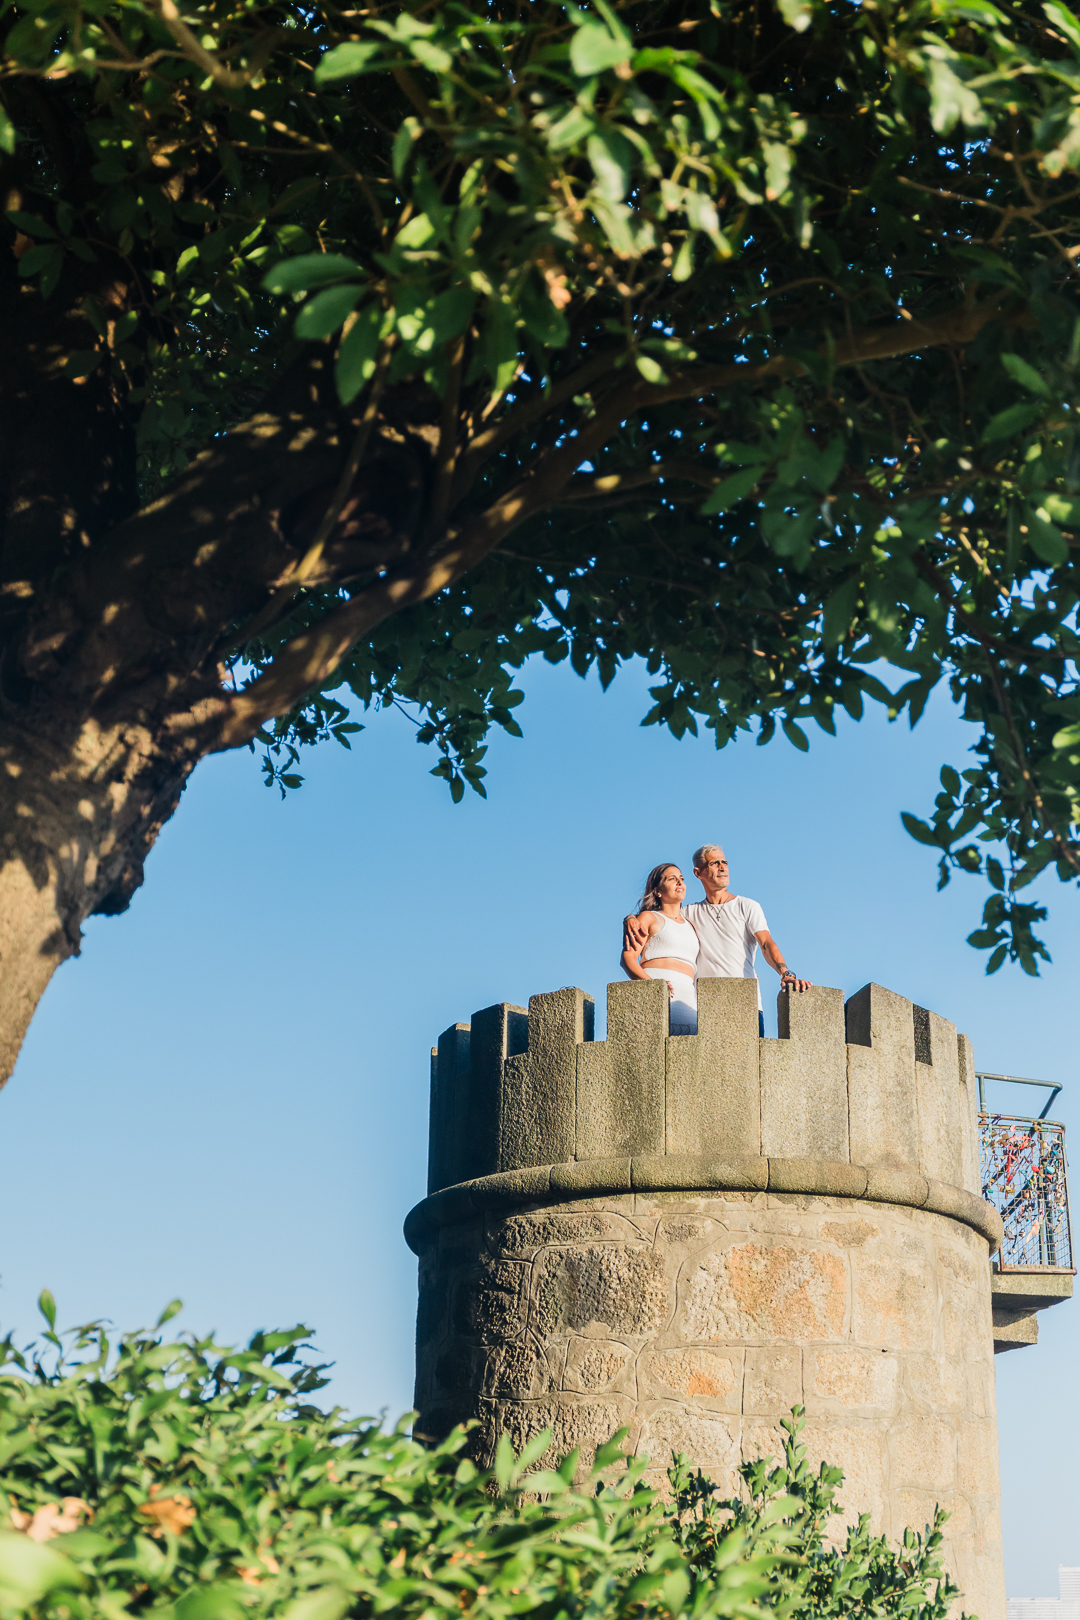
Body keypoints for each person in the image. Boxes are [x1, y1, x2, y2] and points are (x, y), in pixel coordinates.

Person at [625, 844, 811, 1036]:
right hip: (707, 1008)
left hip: (746, 1004)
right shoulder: (689, 913)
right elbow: (663, 917)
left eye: (725, 862)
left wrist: (785, 973)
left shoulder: (747, 906)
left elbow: (766, 943)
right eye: (714, 863)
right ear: (698, 873)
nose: (722, 867)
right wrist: (630, 918)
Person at [621, 863, 700, 1034]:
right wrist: (654, 987)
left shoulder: (691, 924)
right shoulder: (649, 917)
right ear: (657, 891)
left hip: (689, 999)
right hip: (657, 993)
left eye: (681, 878)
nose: (679, 882)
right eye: (672, 879)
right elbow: (627, 959)